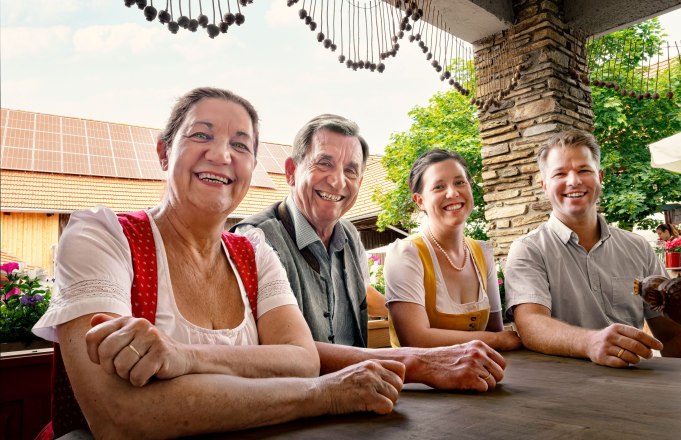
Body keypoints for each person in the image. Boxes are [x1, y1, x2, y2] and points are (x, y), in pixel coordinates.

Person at [32, 88, 404, 438]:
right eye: (201, 135)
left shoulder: (254, 252)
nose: (222, 155)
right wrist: (322, 394)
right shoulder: (101, 236)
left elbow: (302, 360)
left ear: (252, 166)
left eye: (240, 145)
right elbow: (119, 417)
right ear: (164, 152)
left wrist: (184, 358)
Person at [233, 115, 507, 391]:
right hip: (294, 404)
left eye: (351, 171)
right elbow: (275, 349)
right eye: (324, 163)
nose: (338, 181)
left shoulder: (350, 236)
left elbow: (368, 297)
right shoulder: (254, 239)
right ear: (291, 172)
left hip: (361, 399)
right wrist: (418, 362)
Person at [504, 129, 681, 368]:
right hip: (560, 384)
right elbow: (531, 326)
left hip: (633, 379)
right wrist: (590, 342)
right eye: (560, 173)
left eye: (584, 170)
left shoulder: (638, 247)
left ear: (600, 177)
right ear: (544, 185)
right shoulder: (528, 250)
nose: (574, 181)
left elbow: (673, 333)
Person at [383, 149, 523, 351]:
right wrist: (498, 340)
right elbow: (415, 339)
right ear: (420, 201)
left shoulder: (482, 252)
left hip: (481, 369)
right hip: (417, 372)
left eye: (460, 182)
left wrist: (499, 339)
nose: (453, 193)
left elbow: (494, 330)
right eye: (439, 187)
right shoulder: (406, 253)